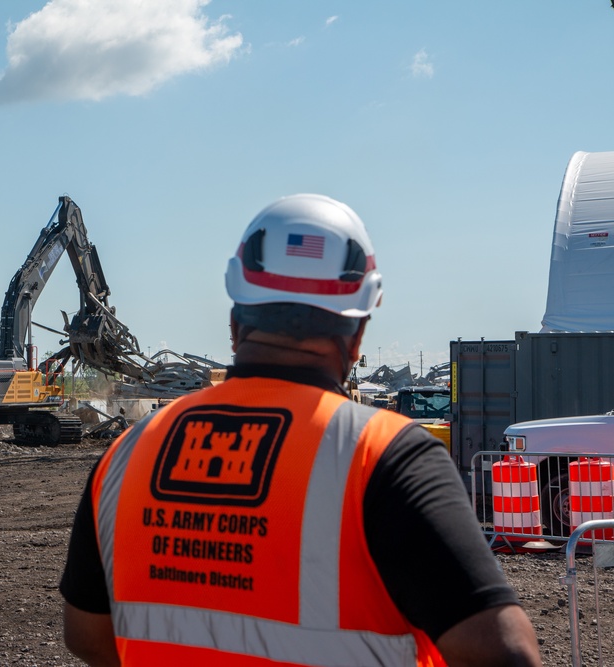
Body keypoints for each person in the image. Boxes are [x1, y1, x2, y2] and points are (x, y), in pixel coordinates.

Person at [59, 194, 541, 666]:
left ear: (235, 321)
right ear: (357, 333)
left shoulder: (127, 455)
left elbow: (87, 636)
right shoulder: (385, 455)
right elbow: (503, 653)